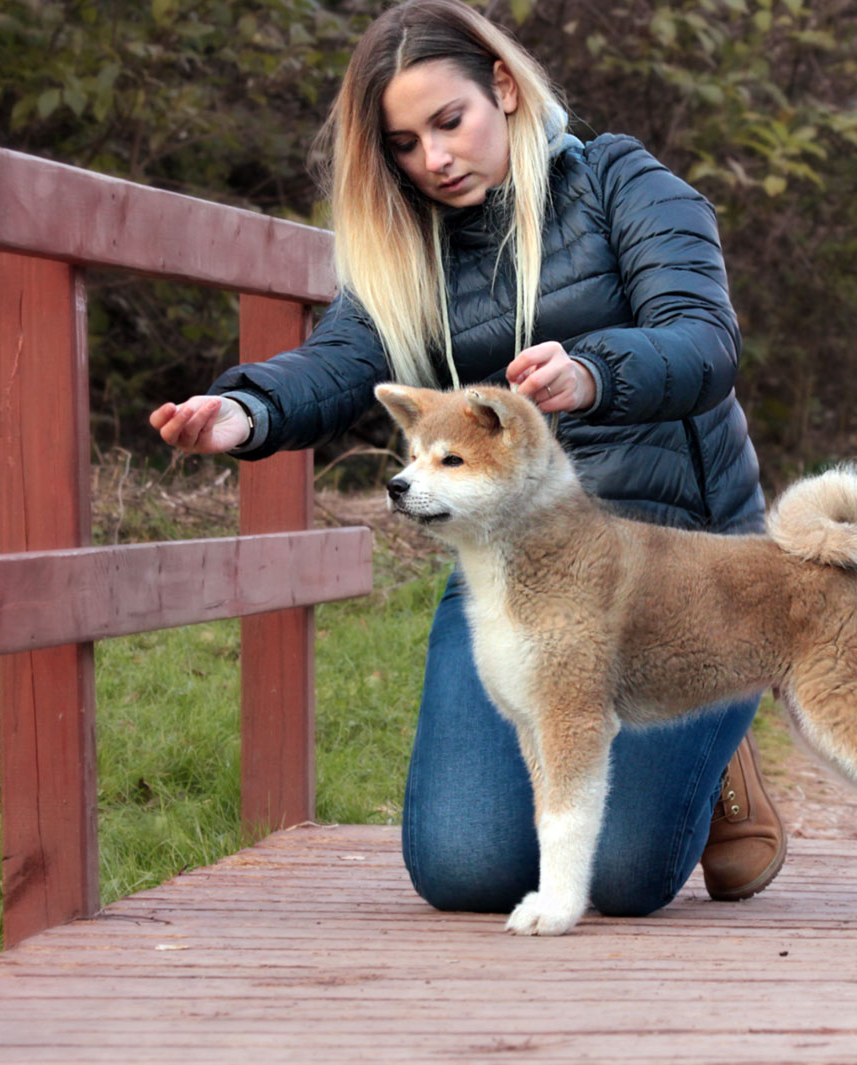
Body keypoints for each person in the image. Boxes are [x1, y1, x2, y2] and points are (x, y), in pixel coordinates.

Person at [149, 0, 784, 918]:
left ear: (504, 86)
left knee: (618, 878)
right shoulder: (408, 245)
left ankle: (718, 727)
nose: (433, 159)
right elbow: (340, 362)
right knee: (467, 867)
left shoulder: (622, 180)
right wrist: (243, 413)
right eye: (405, 144)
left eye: (449, 123)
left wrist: (595, 371)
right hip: (516, 559)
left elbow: (702, 337)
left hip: (674, 562)